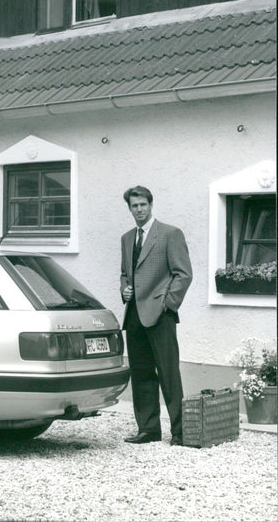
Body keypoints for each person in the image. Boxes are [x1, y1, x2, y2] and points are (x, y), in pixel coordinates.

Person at [120, 186, 192, 446]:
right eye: (134, 206)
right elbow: (125, 275)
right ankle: (148, 429)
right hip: (135, 315)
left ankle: (181, 432)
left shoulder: (170, 234)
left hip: (161, 315)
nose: (139, 209)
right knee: (140, 374)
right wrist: (124, 289)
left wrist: (168, 304)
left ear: (150, 205)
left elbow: (183, 274)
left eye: (142, 205)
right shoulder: (127, 238)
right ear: (129, 208)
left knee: (168, 373)